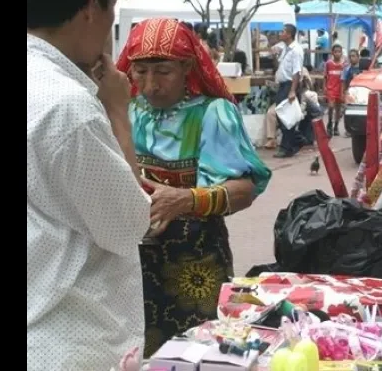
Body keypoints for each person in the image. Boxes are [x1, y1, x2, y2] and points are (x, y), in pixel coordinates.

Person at [27, 0, 151, 370]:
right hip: (67, 340)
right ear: (91, 8)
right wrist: (118, 112)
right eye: (113, 6)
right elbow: (132, 222)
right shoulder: (68, 108)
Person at [116, 18, 273, 356]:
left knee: (195, 352)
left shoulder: (213, 114)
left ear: (187, 65)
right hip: (132, 260)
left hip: (196, 261)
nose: (150, 85)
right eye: (140, 72)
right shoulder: (127, 110)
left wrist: (186, 199)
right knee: (135, 351)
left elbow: (245, 189)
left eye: (162, 71)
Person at [274, 23, 306, 158]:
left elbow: (296, 72)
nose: (280, 34)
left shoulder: (296, 50)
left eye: (283, 32)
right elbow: (281, 67)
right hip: (282, 85)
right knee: (281, 115)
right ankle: (293, 142)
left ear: (289, 34)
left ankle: (289, 146)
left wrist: (292, 90)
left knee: (286, 116)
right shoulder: (285, 49)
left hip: (289, 85)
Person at [324, 43, 347, 137]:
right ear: (332, 53)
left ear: (341, 53)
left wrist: (344, 91)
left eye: (339, 52)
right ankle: (329, 122)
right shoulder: (328, 63)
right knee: (330, 106)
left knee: (338, 109)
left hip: (340, 89)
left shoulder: (344, 65)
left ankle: (336, 126)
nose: (337, 53)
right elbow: (325, 76)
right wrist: (324, 87)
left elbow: (344, 79)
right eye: (335, 51)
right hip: (330, 89)